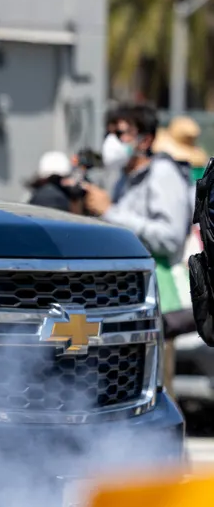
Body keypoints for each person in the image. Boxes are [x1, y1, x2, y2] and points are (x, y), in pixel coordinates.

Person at [81, 104, 193, 400]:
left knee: (156, 393)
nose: (112, 141)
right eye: (109, 133)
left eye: (121, 133)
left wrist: (111, 212)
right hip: (128, 302)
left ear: (145, 139)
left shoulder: (162, 173)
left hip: (157, 304)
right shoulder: (124, 179)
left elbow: (170, 238)